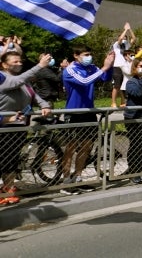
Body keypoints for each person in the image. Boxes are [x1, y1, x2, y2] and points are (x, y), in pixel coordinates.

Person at [60, 45, 115, 194]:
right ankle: (65, 181)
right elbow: (84, 81)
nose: (88, 57)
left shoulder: (92, 67)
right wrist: (104, 68)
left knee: (86, 146)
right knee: (70, 147)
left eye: (89, 54)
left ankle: (78, 176)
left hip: (88, 112)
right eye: (85, 54)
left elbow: (105, 78)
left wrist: (110, 64)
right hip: (74, 112)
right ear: (76, 55)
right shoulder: (70, 70)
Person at [0, 51, 53, 206]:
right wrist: (39, 66)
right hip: (3, 126)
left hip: (18, 125)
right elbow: (15, 82)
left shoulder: (23, 81)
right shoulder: (3, 77)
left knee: (11, 160)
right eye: (15, 62)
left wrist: (44, 105)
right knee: (2, 160)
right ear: (4, 64)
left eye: (20, 61)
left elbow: (34, 96)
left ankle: (8, 189)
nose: (19, 63)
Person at [110, 22, 135, 108]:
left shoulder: (127, 45)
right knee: (117, 85)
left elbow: (134, 39)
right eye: (123, 36)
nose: (124, 38)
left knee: (123, 85)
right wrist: (125, 30)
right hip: (117, 66)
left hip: (125, 67)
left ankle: (123, 101)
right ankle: (113, 102)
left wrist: (129, 29)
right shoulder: (116, 45)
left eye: (125, 37)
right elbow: (120, 39)